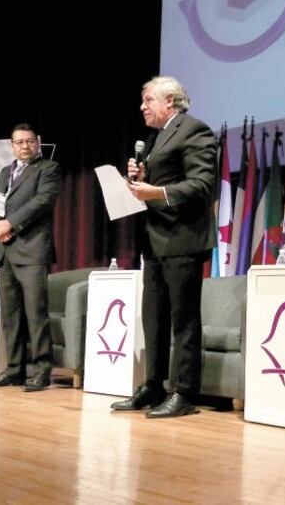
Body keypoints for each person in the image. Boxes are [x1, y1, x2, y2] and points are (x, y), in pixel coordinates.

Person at [111, 76, 217, 418]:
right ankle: (153, 385)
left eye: (148, 100)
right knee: (153, 318)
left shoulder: (194, 130)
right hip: (155, 240)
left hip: (182, 239)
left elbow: (202, 185)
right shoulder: (156, 138)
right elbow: (158, 184)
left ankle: (184, 392)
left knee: (184, 319)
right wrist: (140, 179)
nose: (142, 107)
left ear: (170, 101)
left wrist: (154, 191)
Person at [0, 123, 61, 392]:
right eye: (19, 142)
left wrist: (10, 224)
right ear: (11, 145)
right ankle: (14, 369)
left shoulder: (48, 169)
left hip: (32, 249)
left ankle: (41, 371)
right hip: (5, 250)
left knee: (35, 314)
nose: (24, 146)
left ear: (38, 143)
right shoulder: (6, 171)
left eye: (29, 141)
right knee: (10, 314)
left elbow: (42, 201)